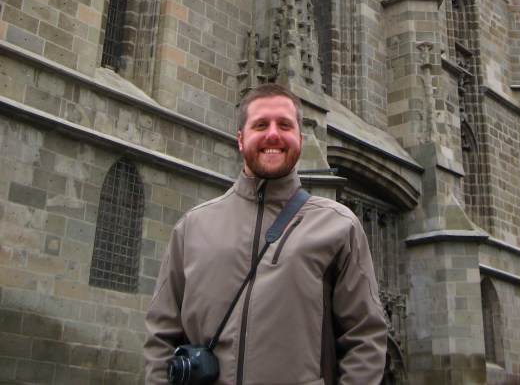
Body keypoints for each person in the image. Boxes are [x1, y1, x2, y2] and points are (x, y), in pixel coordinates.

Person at [144, 83, 388, 384]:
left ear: (300, 137)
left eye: (285, 125)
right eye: (261, 124)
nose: (273, 134)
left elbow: (366, 336)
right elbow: (161, 336)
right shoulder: (192, 226)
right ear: (240, 139)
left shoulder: (339, 225)